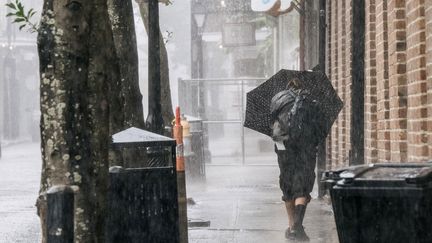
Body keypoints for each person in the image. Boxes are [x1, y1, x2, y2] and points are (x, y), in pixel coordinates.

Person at [270, 78, 325, 241]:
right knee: (302, 186)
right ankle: (297, 227)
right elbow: (320, 128)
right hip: (305, 146)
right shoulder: (312, 100)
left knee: (287, 186)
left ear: (289, 85)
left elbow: (271, 122)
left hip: (283, 146)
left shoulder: (278, 98)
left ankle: (292, 225)